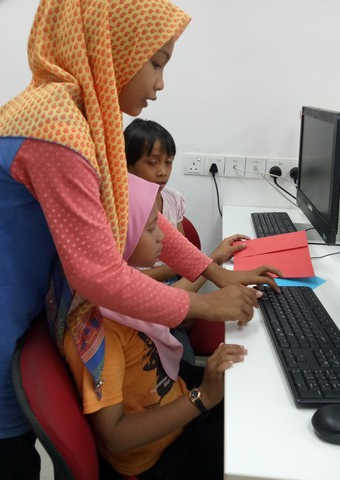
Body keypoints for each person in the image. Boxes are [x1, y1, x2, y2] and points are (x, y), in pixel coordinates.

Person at [0, 1, 280, 479]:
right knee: (6, 466)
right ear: (112, 48)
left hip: (15, 316)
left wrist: (219, 276)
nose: (160, 83)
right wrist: (207, 304)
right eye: (156, 62)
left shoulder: (78, 116)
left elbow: (146, 218)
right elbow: (98, 275)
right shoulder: (58, 131)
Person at [64, 173, 245, 479]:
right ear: (117, 236)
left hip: (176, 402)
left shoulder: (123, 294)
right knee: (249, 447)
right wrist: (203, 398)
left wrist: (219, 272)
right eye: (151, 228)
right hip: (156, 457)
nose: (163, 235)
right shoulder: (99, 329)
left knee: (248, 391)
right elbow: (115, 437)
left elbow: (173, 301)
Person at [125, 118, 249, 362]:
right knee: (182, 360)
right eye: (152, 163)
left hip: (176, 283)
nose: (163, 171)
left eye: (169, 162)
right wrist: (208, 261)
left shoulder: (172, 199)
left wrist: (201, 265)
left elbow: (184, 256)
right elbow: (132, 281)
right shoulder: (126, 210)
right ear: (127, 165)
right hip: (147, 297)